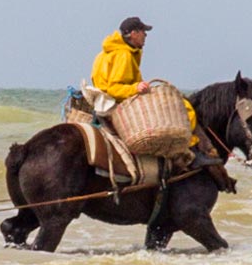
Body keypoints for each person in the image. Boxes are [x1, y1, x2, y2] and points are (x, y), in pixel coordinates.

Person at [91, 16, 224, 173]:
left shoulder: (111, 51)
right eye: (143, 32)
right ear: (133, 33)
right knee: (184, 109)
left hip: (106, 100)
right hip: (116, 101)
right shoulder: (123, 55)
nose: (145, 36)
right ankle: (190, 151)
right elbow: (114, 87)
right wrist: (135, 89)